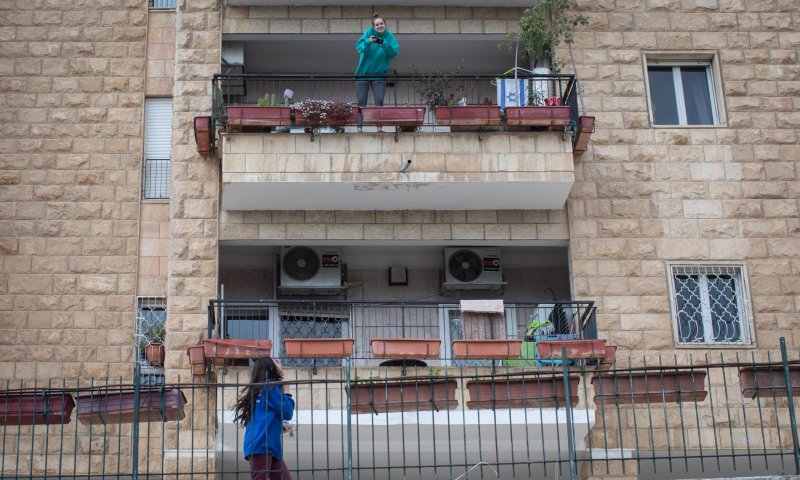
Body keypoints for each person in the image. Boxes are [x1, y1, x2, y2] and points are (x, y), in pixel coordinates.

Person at [233, 357, 295, 480]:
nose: (280, 364)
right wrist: (287, 392)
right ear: (271, 367)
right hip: (263, 444)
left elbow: (264, 415)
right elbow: (287, 412)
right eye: (277, 362)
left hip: (265, 445)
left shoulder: (259, 389)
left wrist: (280, 425)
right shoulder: (271, 386)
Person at [355, 13, 400, 132]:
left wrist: (384, 43)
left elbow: (394, 52)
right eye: (377, 24)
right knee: (361, 102)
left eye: (381, 23)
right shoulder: (369, 32)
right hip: (363, 73)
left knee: (379, 100)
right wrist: (368, 42)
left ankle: (379, 127)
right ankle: (359, 128)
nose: (379, 26)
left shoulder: (389, 36)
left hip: (379, 74)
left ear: (385, 24)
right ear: (374, 27)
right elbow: (359, 48)